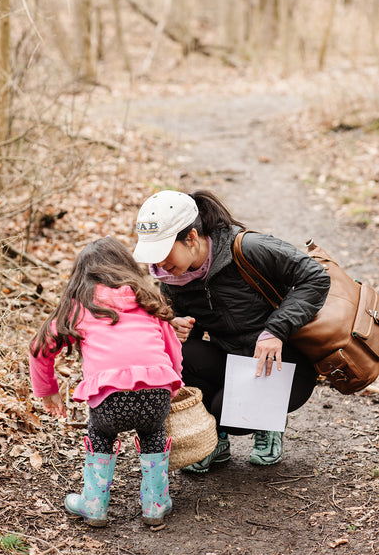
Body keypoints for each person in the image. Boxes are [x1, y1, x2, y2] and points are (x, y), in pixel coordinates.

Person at [133, 189, 330, 472]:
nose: (159, 264)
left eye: (163, 252)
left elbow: (316, 277)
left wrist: (275, 330)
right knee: (177, 354)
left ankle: (268, 422)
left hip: (284, 362)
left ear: (191, 238)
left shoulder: (248, 248)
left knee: (227, 413)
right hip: (232, 358)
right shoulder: (172, 277)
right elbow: (190, 332)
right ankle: (215, 442)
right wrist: (173, 327)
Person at [29, 236, 183, 526]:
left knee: (101, 436)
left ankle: (94, 505)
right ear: (125, 267)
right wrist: (174, 383)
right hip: (157, 393)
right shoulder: (148, 300)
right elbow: (171, 346)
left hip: (110, 402)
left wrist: (48, 390)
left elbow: (39, 347)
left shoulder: (79, 306)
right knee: (153, 434)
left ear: (81, 275)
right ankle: (155, 506)